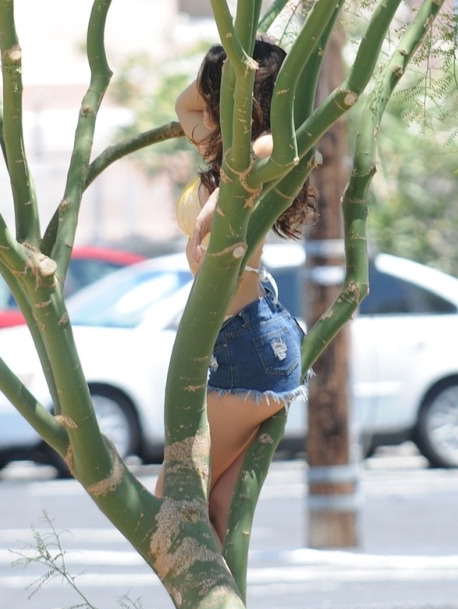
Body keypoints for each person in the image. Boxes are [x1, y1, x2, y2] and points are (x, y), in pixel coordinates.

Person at [155, 38, 316, 543]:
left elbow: (271, 143)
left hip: (245, 346)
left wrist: (214, 207)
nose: (204, 103)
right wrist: (230, 57)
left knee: (171, 502)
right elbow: (184, 105)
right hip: (246, 342)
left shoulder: (265, 152)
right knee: (216, 508)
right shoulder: (220, 145)